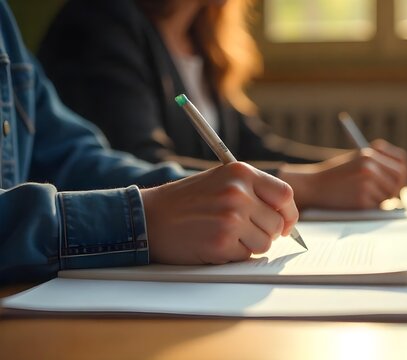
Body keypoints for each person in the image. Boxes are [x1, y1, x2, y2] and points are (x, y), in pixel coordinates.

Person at [0, 0, 299, 284]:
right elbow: (138, 154)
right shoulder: (103, 21)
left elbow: (75, 159)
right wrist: (141, 219)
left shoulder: (5, 25)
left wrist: (166, 201)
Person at [38, 0, 407, 210]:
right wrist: (311, 185)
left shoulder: (202, 39)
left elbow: (252, 147)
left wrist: (347, 169)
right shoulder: (100, 22)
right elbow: (136, 166)